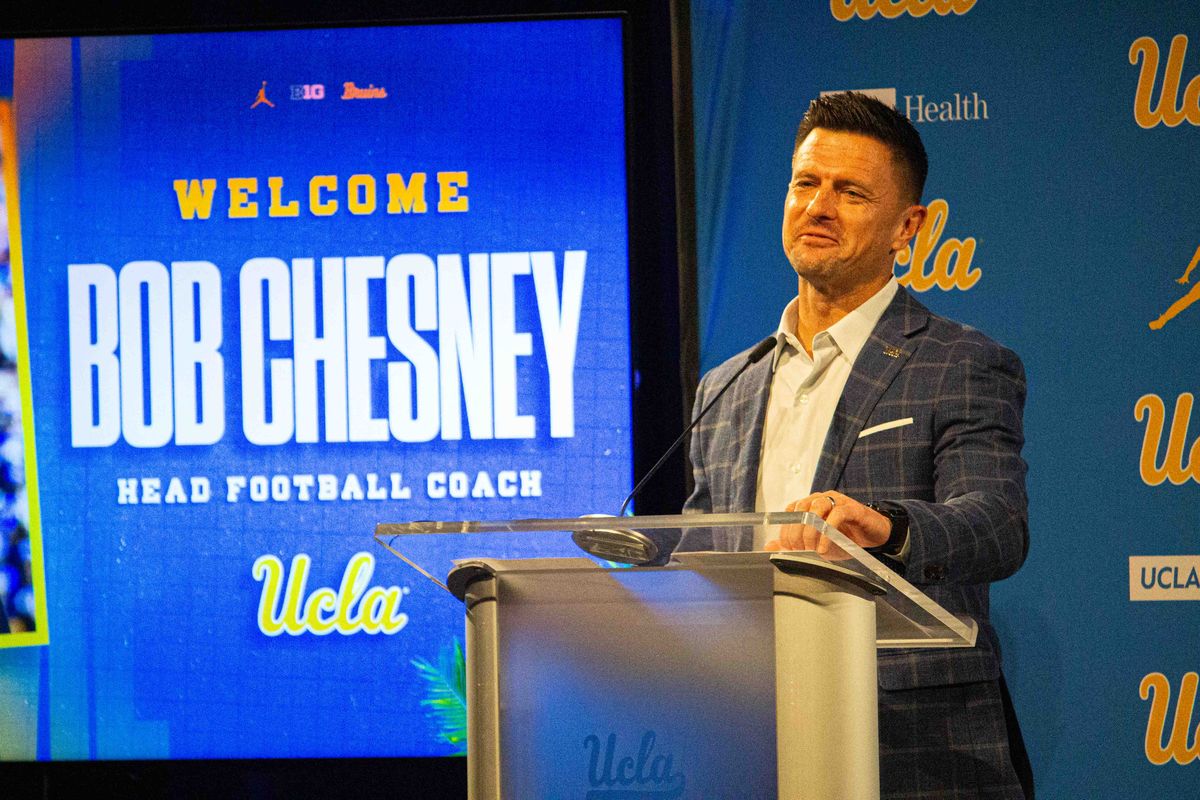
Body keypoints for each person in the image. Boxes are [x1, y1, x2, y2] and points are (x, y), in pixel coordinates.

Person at [682, 92, 1032, 799]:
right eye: (805, 183)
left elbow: (997, 524)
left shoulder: (959, 362)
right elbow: (700, 559)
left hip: (912, 752)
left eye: (850, 192)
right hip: (750, 745)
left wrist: (887, 527)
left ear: (908, 226)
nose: (818, 207)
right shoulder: (726, 386)